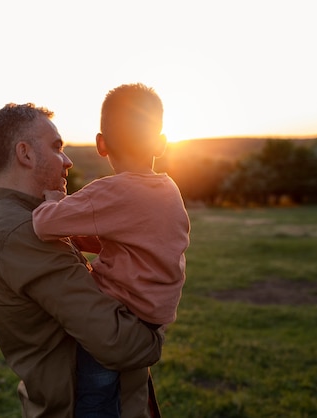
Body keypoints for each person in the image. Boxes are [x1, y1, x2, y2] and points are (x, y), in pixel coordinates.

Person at [0, 102, 164, 418]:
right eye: (57, 147)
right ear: (25, 154)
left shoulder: (16, 217)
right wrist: (155, 329)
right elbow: (118, 343)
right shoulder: (19, 229)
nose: (68, 161)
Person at [32, 83, 191, 417]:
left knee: (96, 400)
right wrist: (81, 239)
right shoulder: (167, 189)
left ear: (101, 144)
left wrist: (52, 199)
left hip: (118, 320)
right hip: (152, 319)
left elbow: (45, 225)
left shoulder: (110, 191)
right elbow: (136, 242)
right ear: (161, 144)